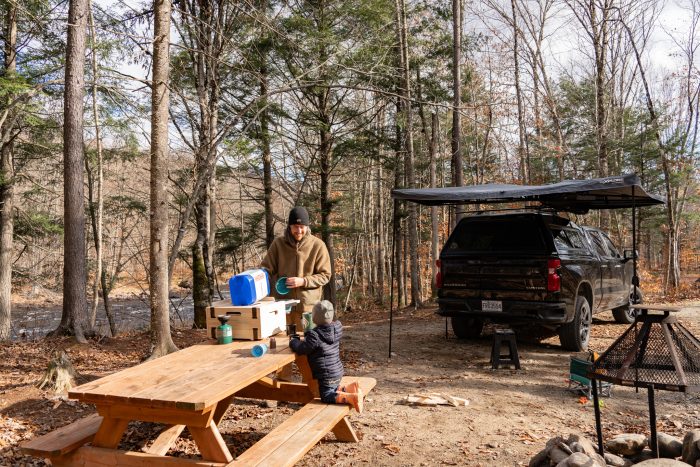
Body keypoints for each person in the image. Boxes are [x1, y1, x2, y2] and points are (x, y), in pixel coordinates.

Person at [261, 206, 332, 328]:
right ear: (289, 226)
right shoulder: (278, 244)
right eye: (295, 226)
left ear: (307, 227)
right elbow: (266, 269)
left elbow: (325, 275)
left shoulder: (318, 245)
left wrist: (304, 281)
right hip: (282, 308)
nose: (298, 230)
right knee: (281, 344)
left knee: (307, 344)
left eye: (301, 227)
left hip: (308, 310)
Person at [289, 300, 363, 412]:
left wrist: (293, 342)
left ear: (315, 318)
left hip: (326, 374)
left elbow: (303, 349)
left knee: (326, 395)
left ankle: (351, 398)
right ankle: (349, 388)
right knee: (331, 388)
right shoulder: (337, 328)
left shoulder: (315, 335)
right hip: (337, 371)